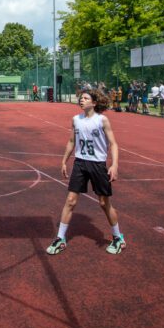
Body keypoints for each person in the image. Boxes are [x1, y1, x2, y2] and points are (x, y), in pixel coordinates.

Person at [46, 89, 125, 256]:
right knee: (71, 200)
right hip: (80, 163)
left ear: (94, 103)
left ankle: (118, 237)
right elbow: (71, 141)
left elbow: (113, 144)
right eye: (81, 98)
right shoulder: (76, 120)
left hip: (98, 165)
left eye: (86, 98)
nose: (81, 100)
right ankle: (60, 238)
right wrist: (64, 161)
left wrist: (114, 165)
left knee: (104, 203)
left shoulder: (102, 120)